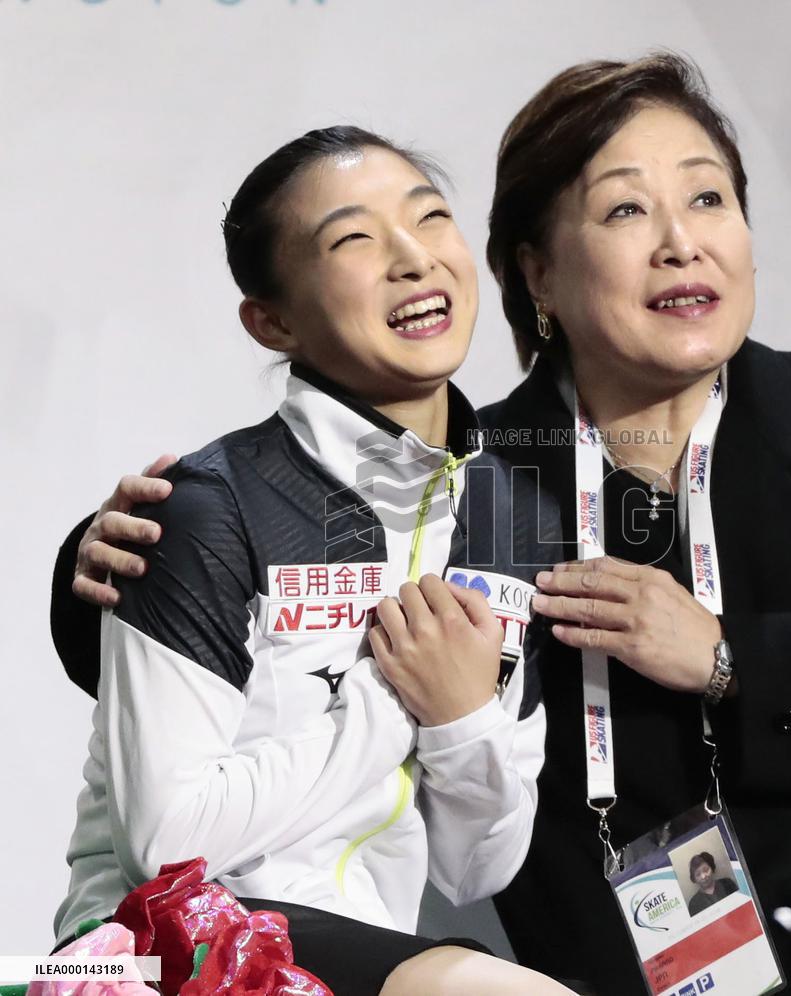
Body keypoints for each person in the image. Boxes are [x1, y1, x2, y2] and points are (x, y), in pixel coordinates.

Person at [52, 54, 791, 994]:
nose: (682, 242)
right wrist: (97, 565)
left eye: (710, 200)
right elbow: (279, 595)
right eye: (627, 210)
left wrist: (728, 654)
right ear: (537, 273)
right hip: (597, 964)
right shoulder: (484, 481)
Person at [47, 124, 574, 996]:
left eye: (430, 218)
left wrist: (462, 717)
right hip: (154, 949)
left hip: (362, 950)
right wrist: (400, 697)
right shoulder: (203, 510)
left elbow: (479, 865)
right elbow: (168, 845)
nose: (414, 259)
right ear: (273, 321)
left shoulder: (512, 522)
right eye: (355, 240)